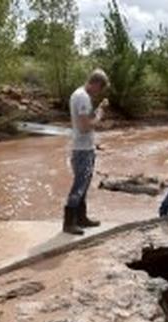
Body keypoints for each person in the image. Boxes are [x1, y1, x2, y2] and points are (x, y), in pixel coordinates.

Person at [63, 69, 110, 235]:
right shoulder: (82, 97)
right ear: (96, 84)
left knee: (83, 185)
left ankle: (81, 218)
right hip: (82, 149)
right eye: (100, 89)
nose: (99, 92)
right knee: (79, 186)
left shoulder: (81, 96)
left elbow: (85, 121)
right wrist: (99, 118)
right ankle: (69, 223)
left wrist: (98, 110)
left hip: (85, 147)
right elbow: (84, 127)